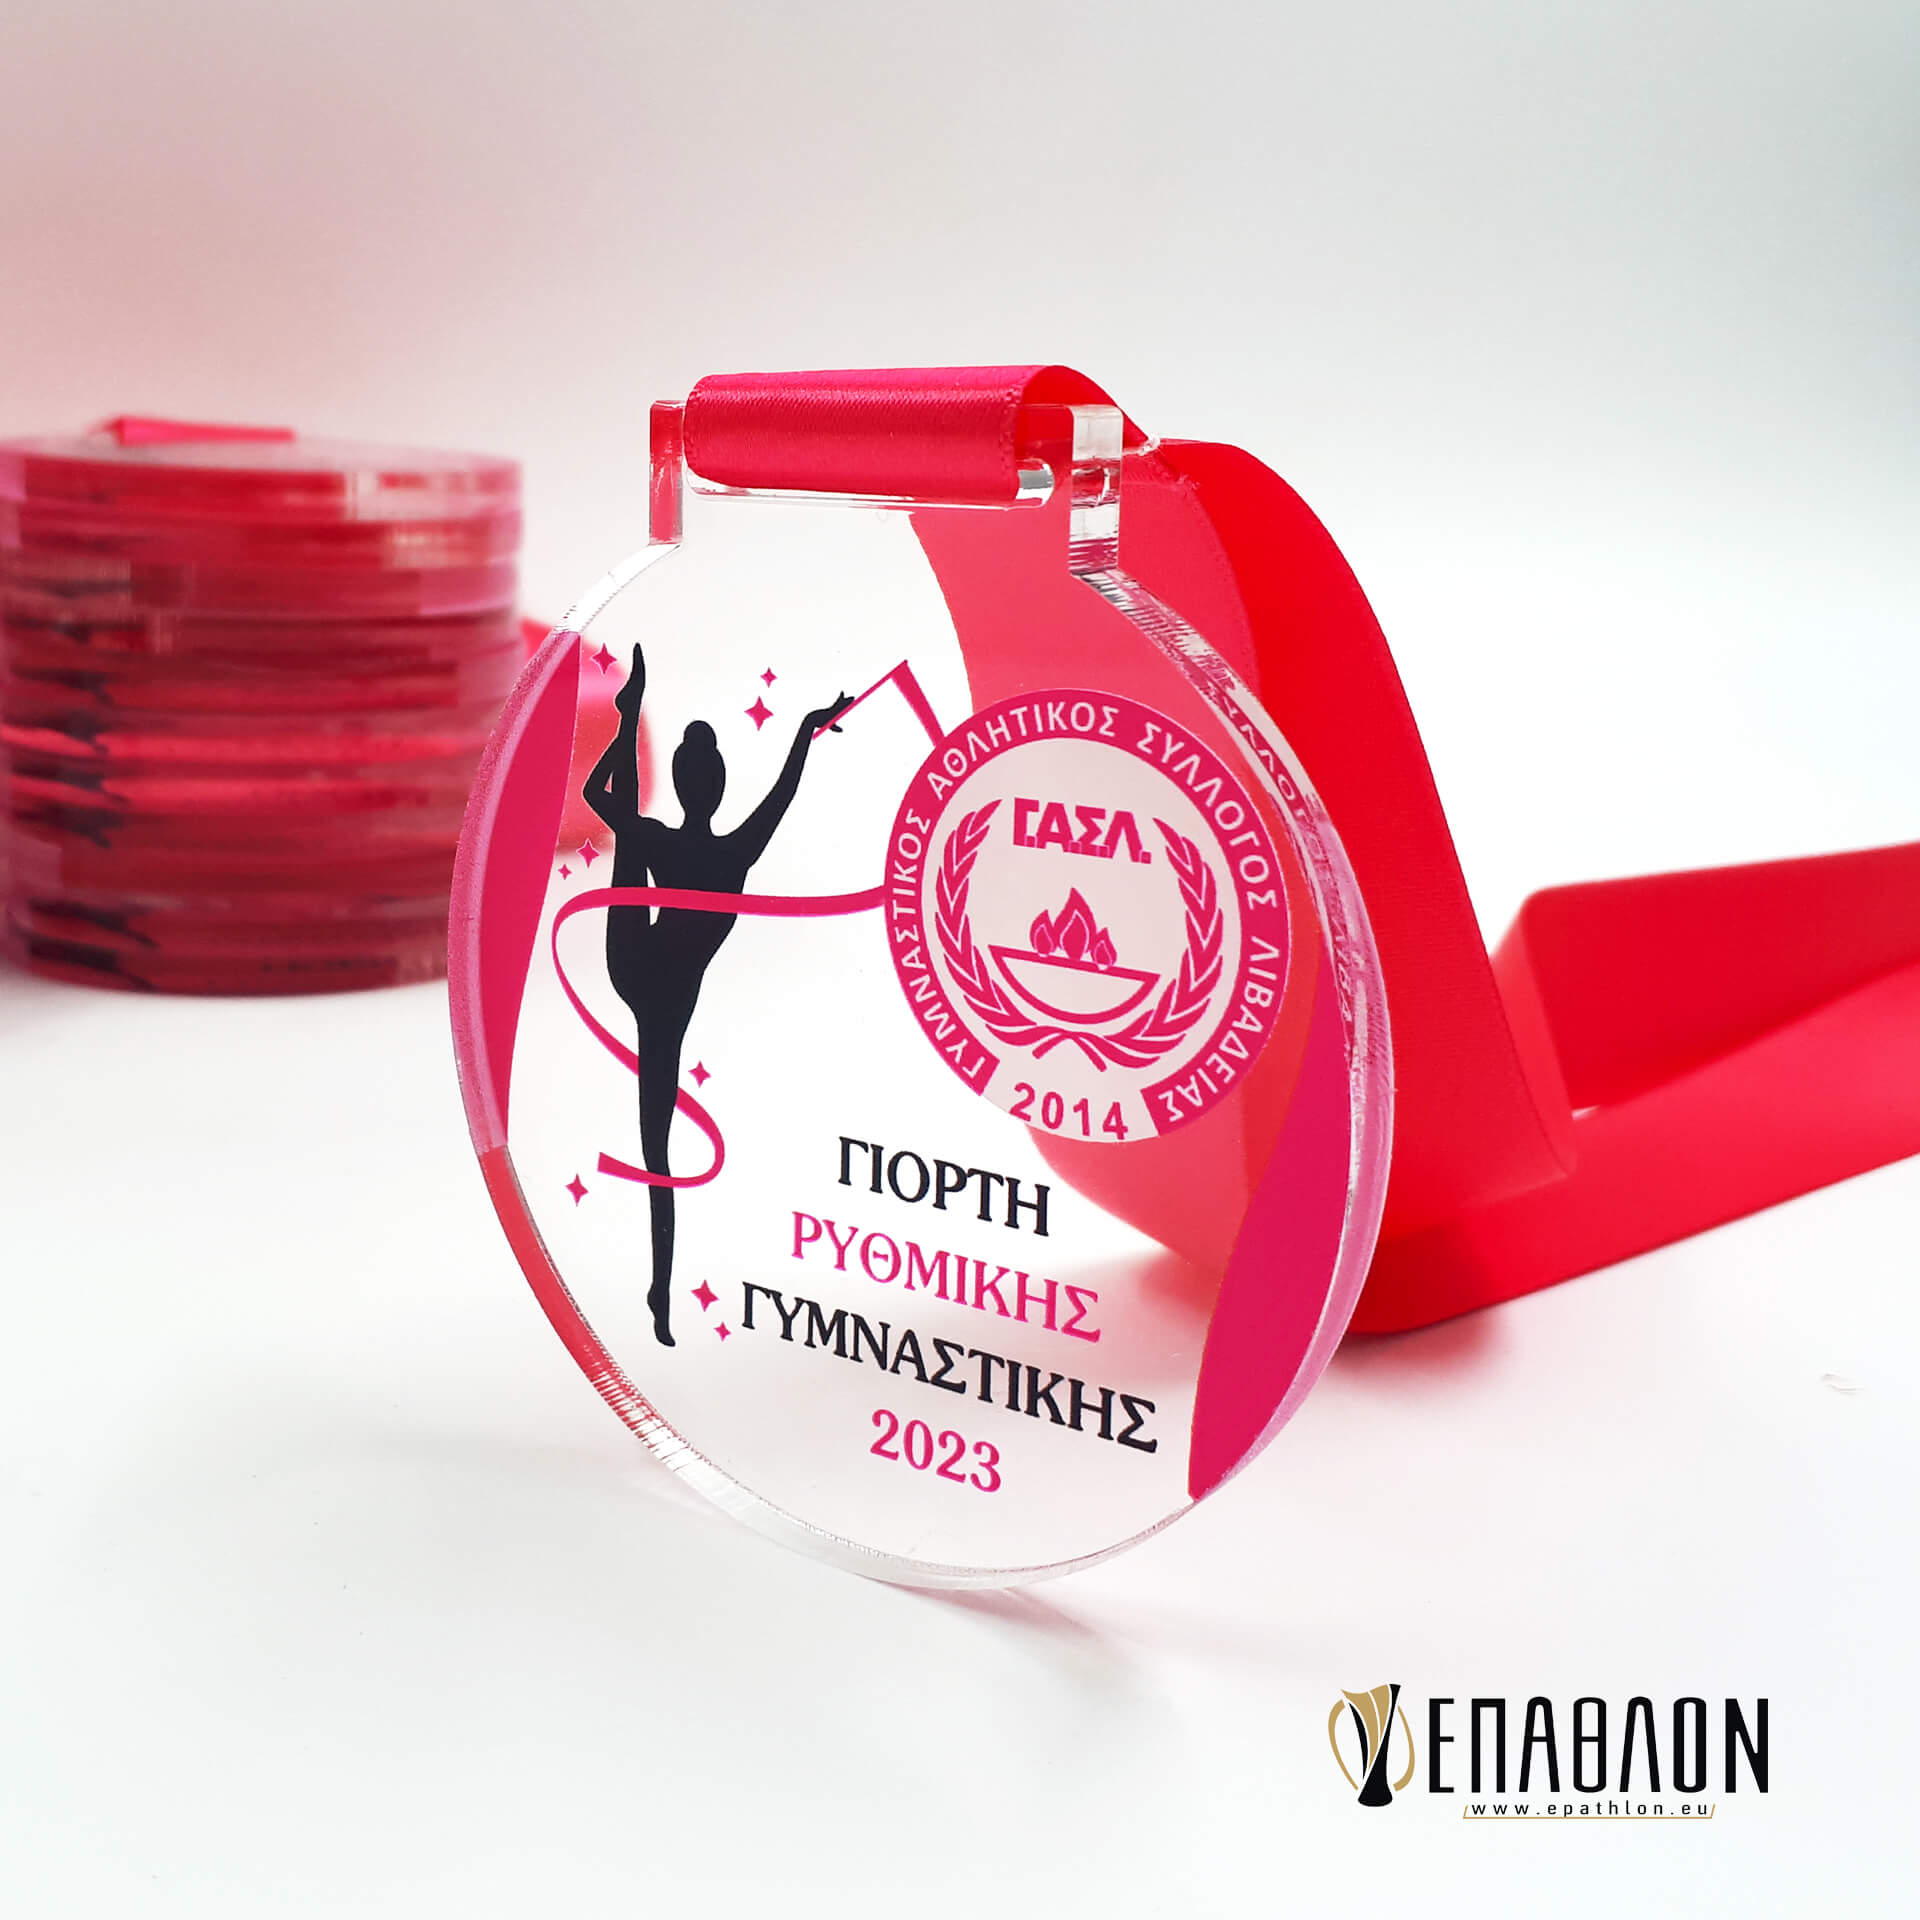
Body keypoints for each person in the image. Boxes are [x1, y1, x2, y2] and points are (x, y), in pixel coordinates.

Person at [582, 643, 853, 1346]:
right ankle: (661, 1290)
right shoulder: (735, 853)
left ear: (682, 786)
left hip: (636, 966)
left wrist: (625, 725)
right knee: (659, 1149)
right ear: (718, 789)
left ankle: (659, 1290)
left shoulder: (668, 843)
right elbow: (783, 794)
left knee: (630, 839)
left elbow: (594, 798)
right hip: (662, 987)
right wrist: (806, 730)